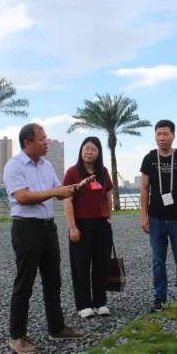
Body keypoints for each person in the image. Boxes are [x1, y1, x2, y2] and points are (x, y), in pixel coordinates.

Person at [3, 123, 92, 354]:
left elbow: (60, 191)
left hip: (47, 228)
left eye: (46, 138)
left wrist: (77, 188)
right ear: (27, 143)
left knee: (53, 280)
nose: (46, 142)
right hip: (25, 228)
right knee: (25, 282)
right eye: (42, 139)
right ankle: (17, 336)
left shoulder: (47, 165)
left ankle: (56, 328)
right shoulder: (14, 165)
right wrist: (56, 192)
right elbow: (22, 197)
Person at [140, 119, 177, 312]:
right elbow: (144, 188)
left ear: (173, 136)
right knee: (158, 261)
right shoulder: (149, 158)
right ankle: (159, 297)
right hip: (156, 218)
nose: (161, 138)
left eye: (165, 134)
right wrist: (143, 216)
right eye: (158, 134)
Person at [63, 137, 114, 319]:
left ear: (99, 153)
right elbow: (67, 201)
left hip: (101, 224)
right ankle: (83, 304)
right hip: (81, 224)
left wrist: (108, 219)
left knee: (102, 264)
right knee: (81, 265)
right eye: (86, 148)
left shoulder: (103, 172)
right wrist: (72, 226)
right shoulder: (72, 172)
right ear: (81, 150)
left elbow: (108, 198)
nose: (89, 152)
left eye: (93, 149)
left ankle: (100, 302)